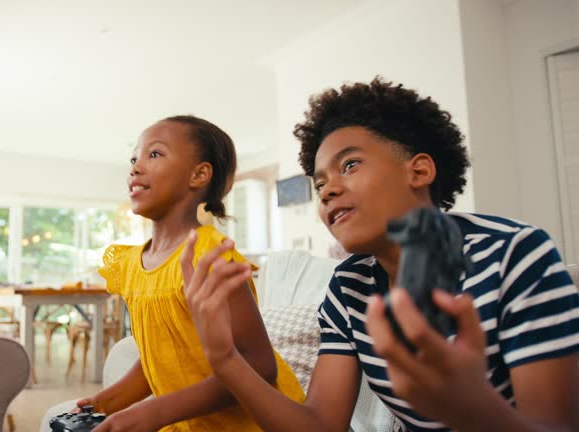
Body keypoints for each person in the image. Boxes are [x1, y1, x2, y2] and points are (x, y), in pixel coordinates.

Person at [180, 78, 579, 432]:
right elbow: (319, 424)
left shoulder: (515, 255)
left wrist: (473, 410)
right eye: (319, 184)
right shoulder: (349, 287)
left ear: (419, 172)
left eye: (350, 165)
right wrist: (225, 358)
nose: (328, 191)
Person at [76, 115, 305, 432]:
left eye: (154, 154)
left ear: (199, 175)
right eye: (134, 157)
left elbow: (260, 364)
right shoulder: (130, 264)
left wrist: (155, 412)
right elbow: (160, 356)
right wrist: (108, 402)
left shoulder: (210, 257)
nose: (135, 167)